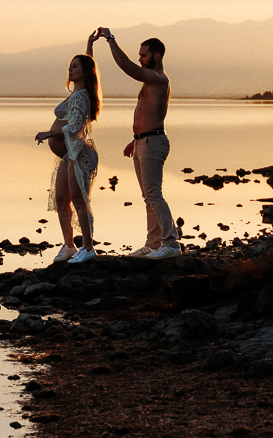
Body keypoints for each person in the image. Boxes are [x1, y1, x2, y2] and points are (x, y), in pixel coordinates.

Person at [95, 28, 180, 258]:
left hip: (154, 142)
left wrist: (110, 39)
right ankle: (153, 243)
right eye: (140, 55)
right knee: (148, 196)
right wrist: (136, 140)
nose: (140, 59)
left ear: (156, 56)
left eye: (143, 55)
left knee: (154, 194)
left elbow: (126, 66)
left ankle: (171, 243)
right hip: (143, 142)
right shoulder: (150, 81)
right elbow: (147, 113)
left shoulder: (158, 78)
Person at [34, 41, 101, 263]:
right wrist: (89, 44)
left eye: (75, 66)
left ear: (85, 71)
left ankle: (89, 248)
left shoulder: (82, 97)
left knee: (80, 201)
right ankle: (69, 246)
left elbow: (75, 127)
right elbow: (89, 63)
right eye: (70, 66)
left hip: (80, 153)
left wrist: (49, 134)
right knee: (62, 199)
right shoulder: (77, 92)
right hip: (68, 155)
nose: (70, 69)